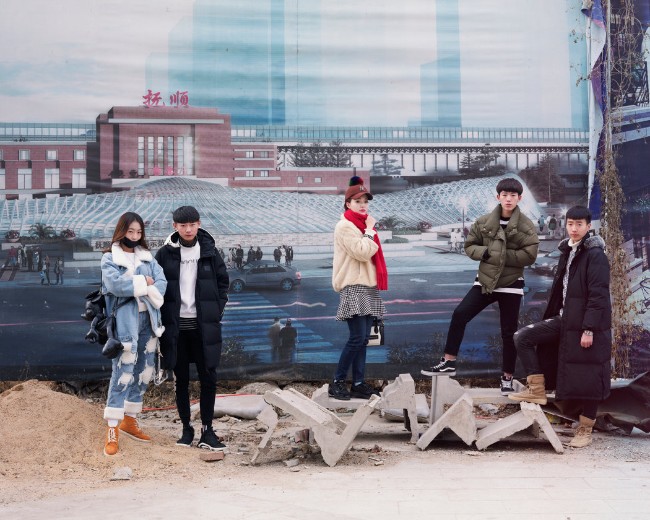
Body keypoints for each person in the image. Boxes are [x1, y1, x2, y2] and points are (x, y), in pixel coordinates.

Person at [509, 206, 611, 448]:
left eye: (579, 224)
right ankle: (537, 388)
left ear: (588, 226)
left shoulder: (595, 254)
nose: (574, 229)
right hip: (566, 320)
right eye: (570, 224)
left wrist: (588, 329)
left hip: (587, 326)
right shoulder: (568, 251)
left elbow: (598, 295)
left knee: (589, 376)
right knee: (522, 337)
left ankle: (585, 430)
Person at [430, 178, 539, 393]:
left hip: (511, 284)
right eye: (504, 195)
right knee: (460, 314)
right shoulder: (484, 222)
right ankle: (449, 361)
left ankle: (507, 377)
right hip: (485, 281)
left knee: (508, 332)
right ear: (498, 197)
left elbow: (530, 255)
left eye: (513, 195)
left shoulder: (526, 226)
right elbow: (470, 246)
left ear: (520, 198)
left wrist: (500, 255)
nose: (508, 199)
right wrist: (486, 252)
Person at [155, 206, 230, 451]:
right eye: (183, 225)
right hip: (176, 328)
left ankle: (208, 431)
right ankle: (187, 429)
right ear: (174, 226)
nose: (188, 229)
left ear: (199, 224)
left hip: (203, 326)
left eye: (192, 224)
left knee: (209, 377)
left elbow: (223, 282)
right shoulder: (164, 254)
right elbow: (156, 286)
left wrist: (216, 310)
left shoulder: (209, 251)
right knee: (182, 380)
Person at [101, 212, 167, 457]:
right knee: (123, 372)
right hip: (125, 323)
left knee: (144, 371)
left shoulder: (147, 257)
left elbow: (161, 282)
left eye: (139, 232)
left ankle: (130, 420)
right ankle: (112, 428)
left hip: (149, 320)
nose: (135, 236)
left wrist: (140, 285)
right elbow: (115, 285)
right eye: (130, 231)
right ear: (121, 231)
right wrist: (143, 283)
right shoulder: (110, 258)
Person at [329, 176, 387, 400]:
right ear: (348, 204)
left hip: (367, 285)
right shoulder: (345, 226)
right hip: (353, 285)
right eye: (357, 201)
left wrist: (368, 230)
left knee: (363, 339)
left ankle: (359, 383)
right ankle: (337, 382)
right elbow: (362, 252)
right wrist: (371, 230)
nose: (363, 205)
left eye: (365, 201)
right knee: (357, 338)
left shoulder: (361, 225)